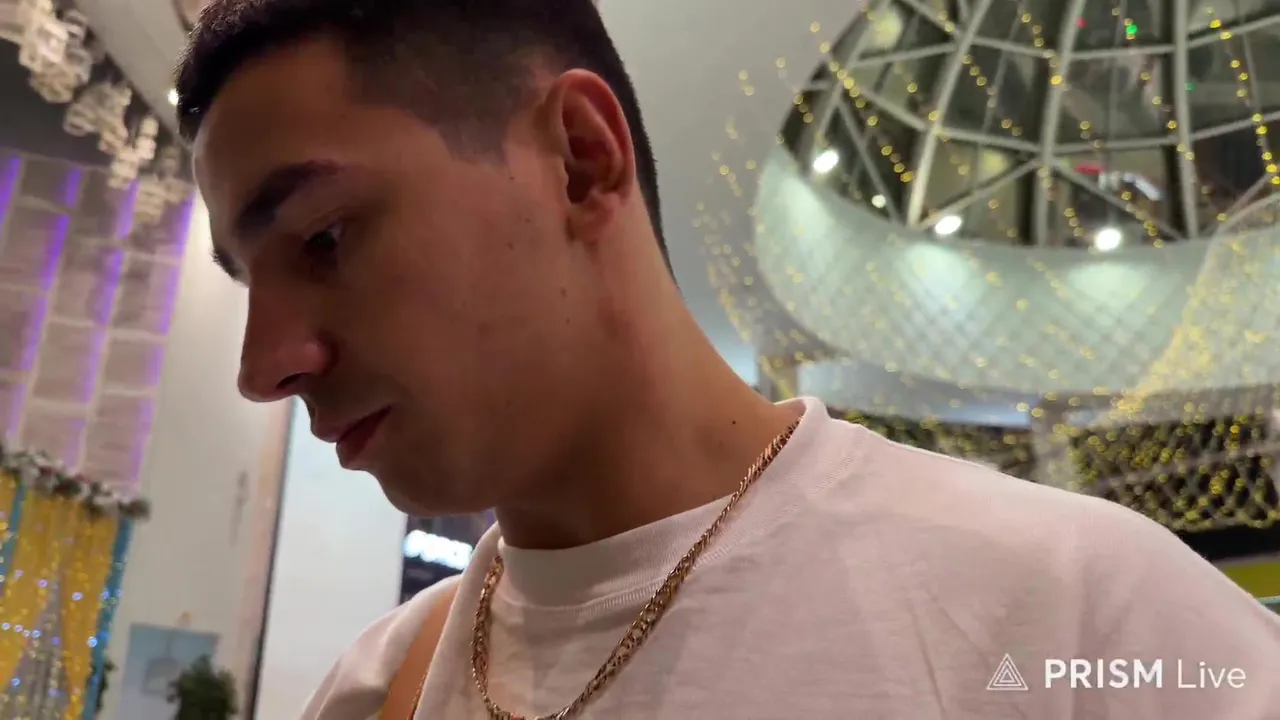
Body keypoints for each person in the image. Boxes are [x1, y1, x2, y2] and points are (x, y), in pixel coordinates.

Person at [175, 0, 1280, 717]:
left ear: (579, 162)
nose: (264, 367)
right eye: (247, 281)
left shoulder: (1078, 615)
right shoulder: (375, 690)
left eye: (324, 239)